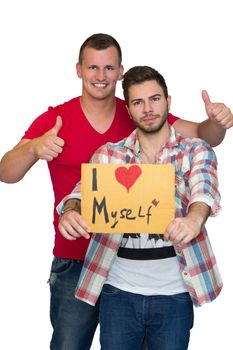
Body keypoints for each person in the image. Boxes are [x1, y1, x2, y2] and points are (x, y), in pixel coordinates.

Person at [0, 34, 230, 350]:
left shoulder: (142, 112)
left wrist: (217, 121)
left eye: (109, 68)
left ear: (120, 71)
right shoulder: (63, 123)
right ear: (78, 69)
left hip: (137, 269)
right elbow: (8, 173)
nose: (100, 76)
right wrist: (35, 149)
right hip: (77, 259)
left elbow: (203, 143)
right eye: (93, 67)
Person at [58, 66, 222, 350]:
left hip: (174, 295)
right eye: (138, 102)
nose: (148, 108)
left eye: (154, 99)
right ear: (130, 111)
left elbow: (204, 192)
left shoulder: (196, 151)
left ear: (168, 102)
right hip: (117, 293)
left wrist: (194, 219)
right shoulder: (109, 155)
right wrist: (71, 210)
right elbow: (80, 194)